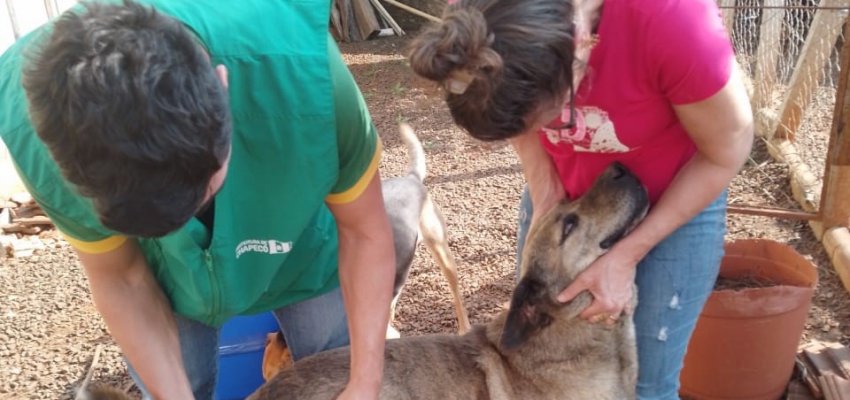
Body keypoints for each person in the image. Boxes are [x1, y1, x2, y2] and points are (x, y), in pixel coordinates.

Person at [0, 1, 395, 399]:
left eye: (202, 190)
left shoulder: (312, 81)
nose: (188, 224)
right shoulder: (34, 130)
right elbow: (121, 276)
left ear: (221, 87)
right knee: (181, 381)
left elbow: (364, 231)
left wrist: (364, 380)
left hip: (299, 243)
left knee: (336, 367)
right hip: (166, 271)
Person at [407, 0, 754, 398]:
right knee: (534, 376)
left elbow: (727, 150)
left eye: (552, 114)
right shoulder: (481, 14)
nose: (554, 129)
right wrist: (546, 195)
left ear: (579, 49)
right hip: (568, 214)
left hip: (676, 196)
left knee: (648, 388)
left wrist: (625, 256)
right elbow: (514, 109)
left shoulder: (672, 18)